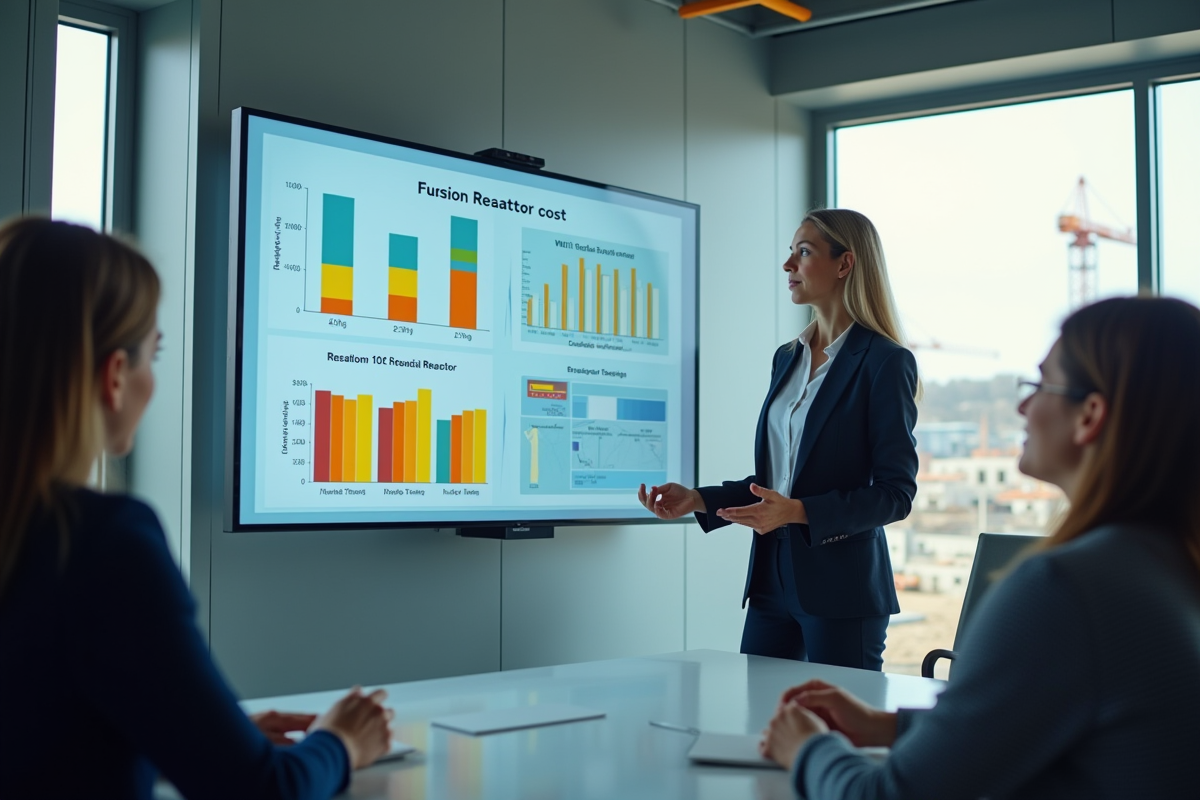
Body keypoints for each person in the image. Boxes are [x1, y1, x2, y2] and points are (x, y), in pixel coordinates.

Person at [0, 218, 393, 799]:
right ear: (114, 376)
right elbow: (262, 792)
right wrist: (341, 742)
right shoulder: (104, 545)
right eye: (151, 356)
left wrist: (191, 738)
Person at [760, 296, 1200, 799]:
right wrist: (890, 729)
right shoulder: (1164, 566)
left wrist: (807, 748)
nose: (1022, 406)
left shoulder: (1064, 588)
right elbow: (1051, 729)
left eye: (1040, 385)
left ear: (1090, 416)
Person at [638, 209, 918, 670]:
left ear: (845, 264)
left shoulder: (885, 362)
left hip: (841, 588)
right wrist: (698, 500)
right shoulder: (786, 358)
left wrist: (801, 512)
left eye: (803, 253)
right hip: (771, 581)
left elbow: (895, 495)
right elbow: (777, 480)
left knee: (837, 723)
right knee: (762, 725)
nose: (787, 265)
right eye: (790, 252)